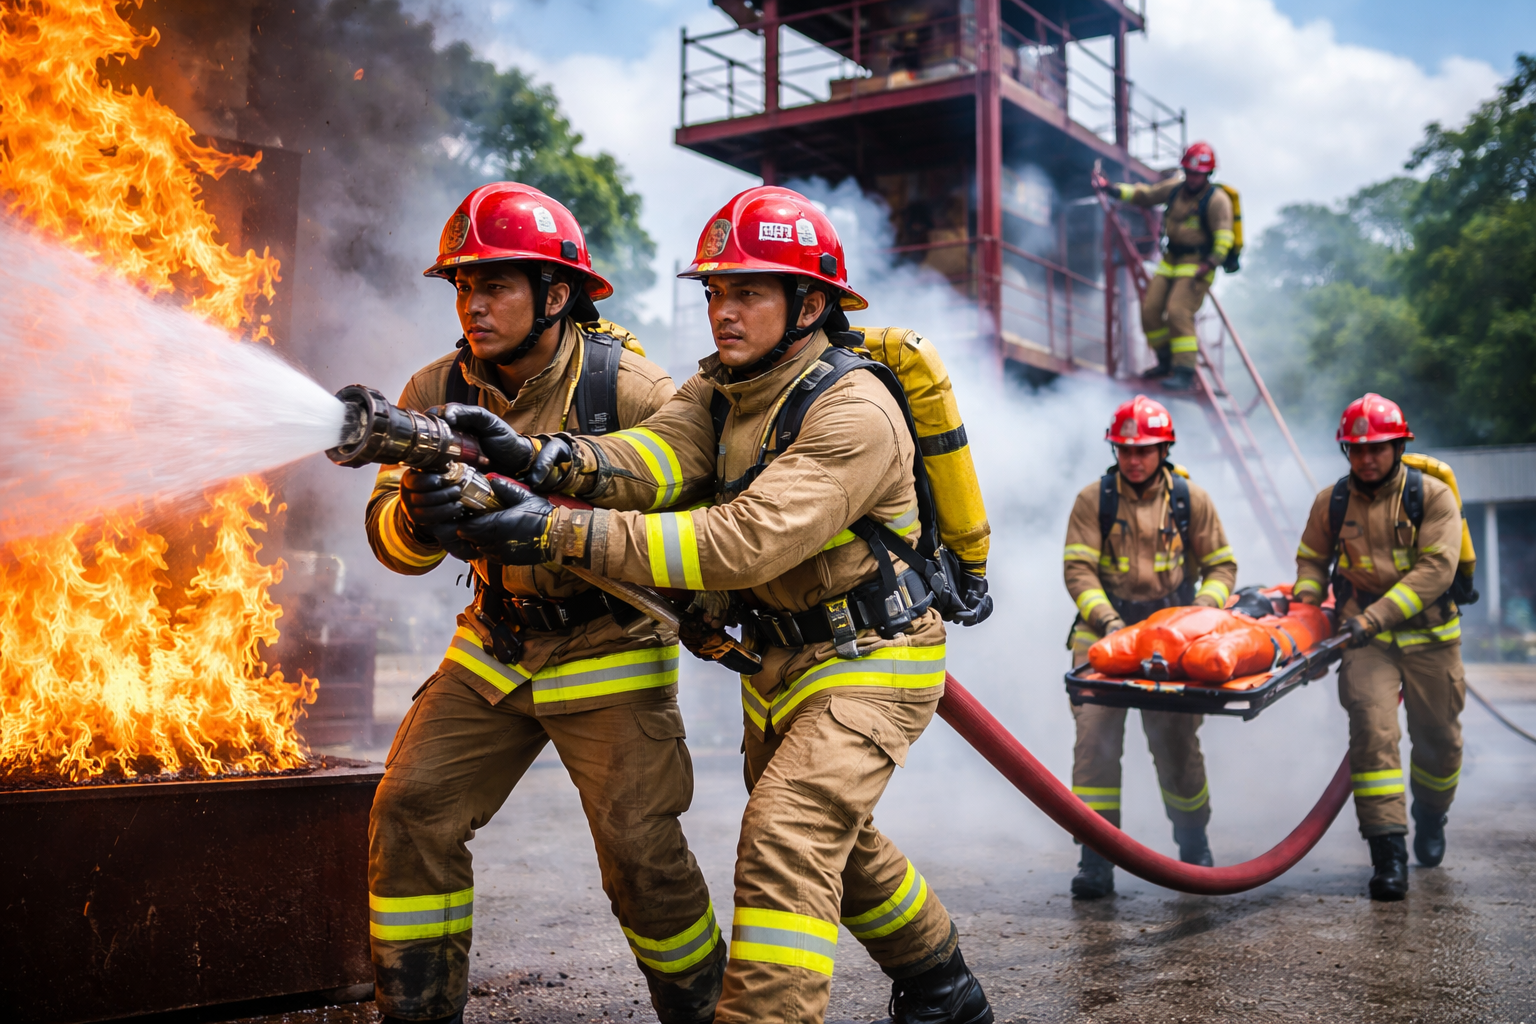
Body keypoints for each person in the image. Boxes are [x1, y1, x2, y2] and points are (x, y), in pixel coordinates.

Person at [442, 185, 995, 1024]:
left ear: (809, 303)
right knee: (838, 845)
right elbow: (655, 461)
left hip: (873, 657)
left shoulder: (856, 408)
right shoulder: (723, 389)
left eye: (746, 292)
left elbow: (739, 543)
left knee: (786, 838)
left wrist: (558, 531)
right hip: (779, 659)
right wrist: (547, 456)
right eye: (713, 292)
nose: (721, 313)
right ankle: (943, 988)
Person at [363, 183, 722, 1024]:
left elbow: (702, 512)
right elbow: (388, 541)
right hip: (496, 644)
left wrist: (571, 513)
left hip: (611, 645)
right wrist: (417, 520)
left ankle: (705, 1012)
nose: (473, 305)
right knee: (410, 810)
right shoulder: (433, 386)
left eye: (494, 285)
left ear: (556, 295)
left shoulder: (630, 388)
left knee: (642, 855)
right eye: (461, 285)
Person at [1060, 395, 1238, 898]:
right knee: (1094, 743)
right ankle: (1096, 858)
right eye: (1125, 450)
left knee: (1176, 743)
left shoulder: (1190, 499)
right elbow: (1078, 569)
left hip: (1172, 639)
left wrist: (1196, 618)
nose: (1134, 459)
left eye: (1145, 450)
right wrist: (1112, 623)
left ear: (1165, 450)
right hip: (1103, 634)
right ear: (1114, 449)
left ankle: (1193, 844)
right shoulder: (1094, 500)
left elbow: (1222, 566)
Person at [1292, 393, 1467, 901]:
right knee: (1373, 735)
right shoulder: (1332, 501)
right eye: (1357, 450)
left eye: (1377, 449)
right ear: (1346, 451)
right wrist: (1309, 605)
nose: (1367, 459)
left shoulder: (1432, 496)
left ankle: (1431, 816)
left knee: (1440, 744)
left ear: (1398, 445)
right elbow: (1310, 559)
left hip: (1431, 639)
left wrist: (1374, 616)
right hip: (1365, 645)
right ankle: (1387, 855)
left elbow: (1436, 570)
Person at [1092, 142, 1234, 392]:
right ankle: (1165, 361)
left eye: (1198, 174)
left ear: (1208, 174)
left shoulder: (1218, 201)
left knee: (1178, 311)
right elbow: (1144, 195)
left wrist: (1210, 263)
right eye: (1189, 172)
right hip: (1171, 261)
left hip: (1197, 263)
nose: (1192, 178)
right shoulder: (1175, 190)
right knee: (1150, 310)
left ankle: (1184, 371)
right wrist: (1112, 189)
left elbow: (1225, 238)